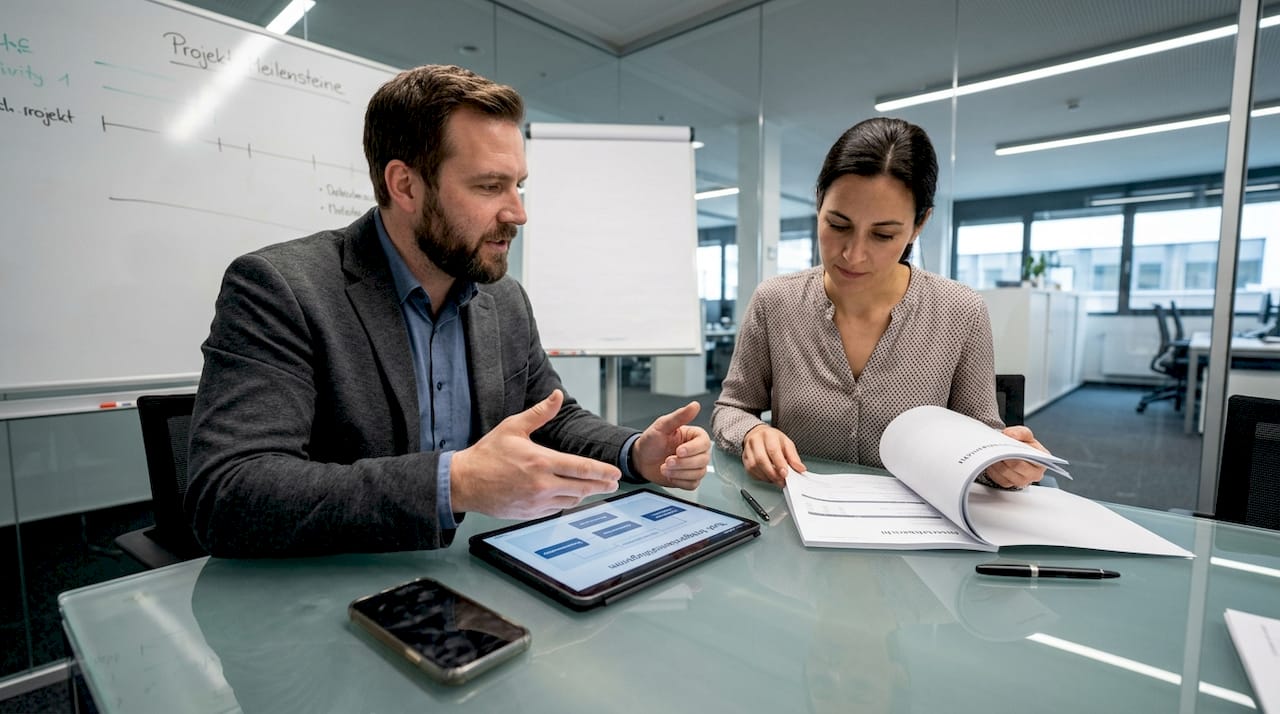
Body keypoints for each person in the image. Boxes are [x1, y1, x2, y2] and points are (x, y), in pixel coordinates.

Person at [186, 64, 710, 557]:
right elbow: (229, 494)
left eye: (518, 185)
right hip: (336, 595)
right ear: (406, 185)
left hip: (479, 572)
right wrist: (455, 482)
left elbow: (552, 418)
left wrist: (637, 451)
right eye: (489, 186)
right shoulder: (281, 288)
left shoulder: (503, 300)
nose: (518, 213)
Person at [711, 117, 1046, 489]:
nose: (853, 255)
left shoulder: (960, 311)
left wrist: (1003, 461)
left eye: (883, 234)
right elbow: (733, 408)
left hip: (916, 531)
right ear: (818, 204)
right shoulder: (776, 301)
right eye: (837, 225)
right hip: (799, 517)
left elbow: (980, 436)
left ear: (919, 224)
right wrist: (752, 433)